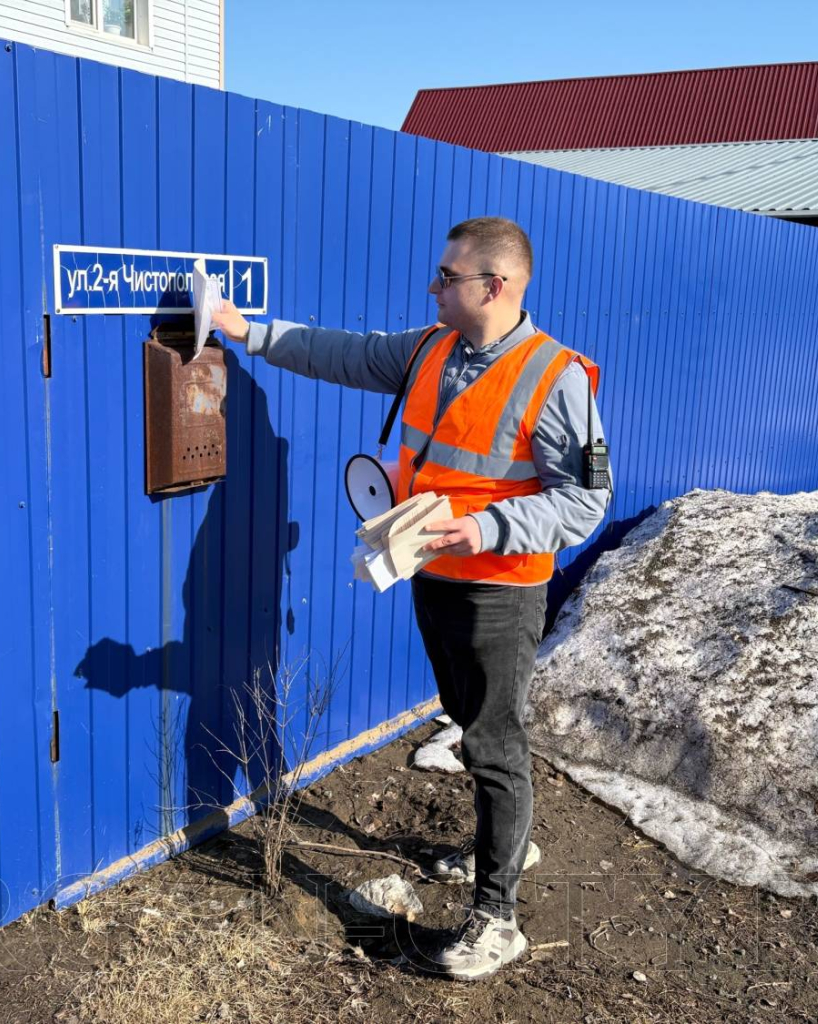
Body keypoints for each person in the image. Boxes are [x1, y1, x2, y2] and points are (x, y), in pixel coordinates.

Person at [212, 216, 610, 980]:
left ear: (494, 286)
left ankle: (497, 917)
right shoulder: (431, 348)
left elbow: (585, 501)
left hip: (499, 589)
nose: (433, 287)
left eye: (447, 277)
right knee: (465, 717)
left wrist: (486, 526)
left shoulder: (553, 376)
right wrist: (245, 331)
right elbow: (341, 352)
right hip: (428, 572)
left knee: (493, 742)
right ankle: (502, 843)